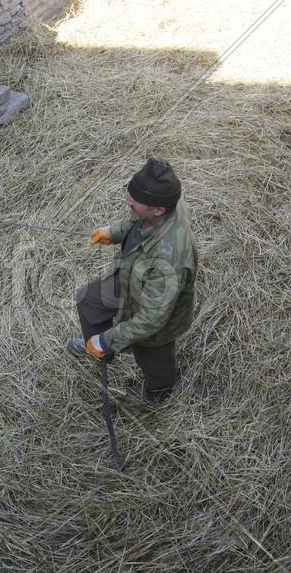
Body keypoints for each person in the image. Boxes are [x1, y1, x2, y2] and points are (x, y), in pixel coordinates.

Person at [67, 157, 197, 403]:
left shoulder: (171, 257)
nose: (127, 202)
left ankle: (157, 395)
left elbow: (151, 319)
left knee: (151, 355)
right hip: (132, 274)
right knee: (88, 299)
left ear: (158, 209)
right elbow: (140, 220)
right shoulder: (168, 198)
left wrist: (109, 340)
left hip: (158, 314)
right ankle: (96, 347)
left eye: (134, 202)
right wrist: (114, 231)